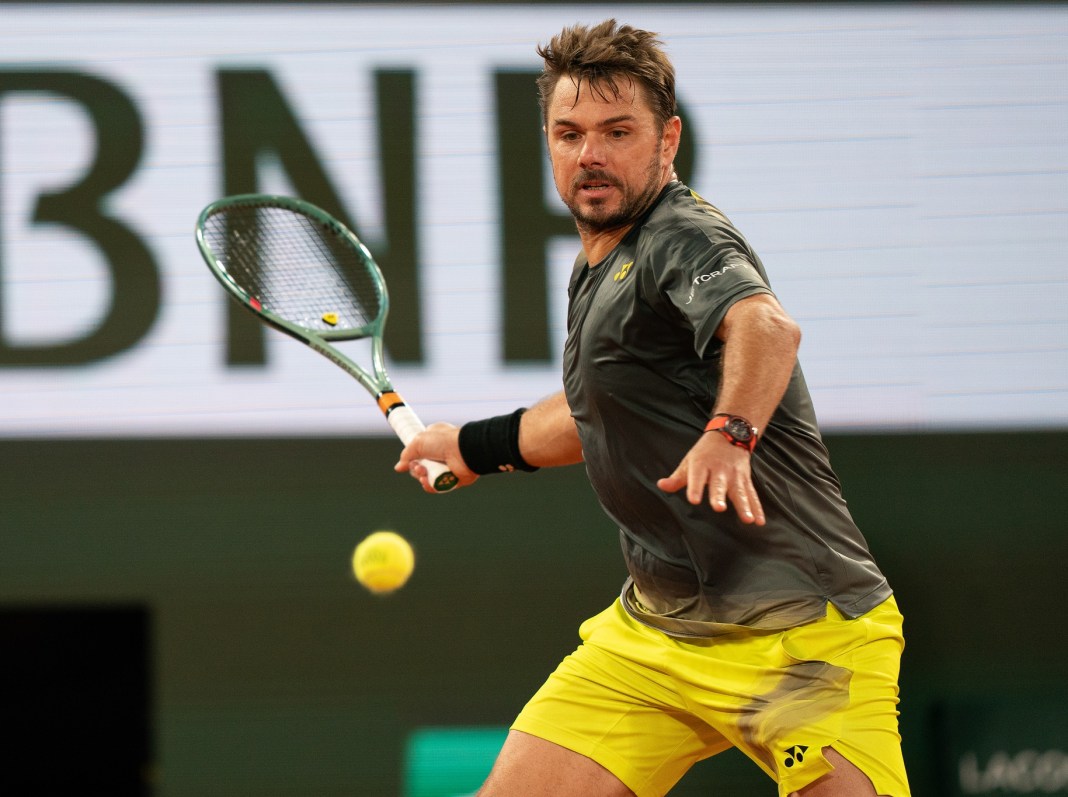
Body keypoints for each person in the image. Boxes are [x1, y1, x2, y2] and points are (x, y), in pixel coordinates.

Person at [396, 18, 910, 797]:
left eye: (616, 131)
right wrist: (473, 445)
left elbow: (767, 326)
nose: (588, 154)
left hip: (800, 635)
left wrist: (728, 435)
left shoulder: (683, 236)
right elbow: (591, 415)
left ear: (667, 140)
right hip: (652, 639)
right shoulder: (601, 261)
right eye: (567, 134)